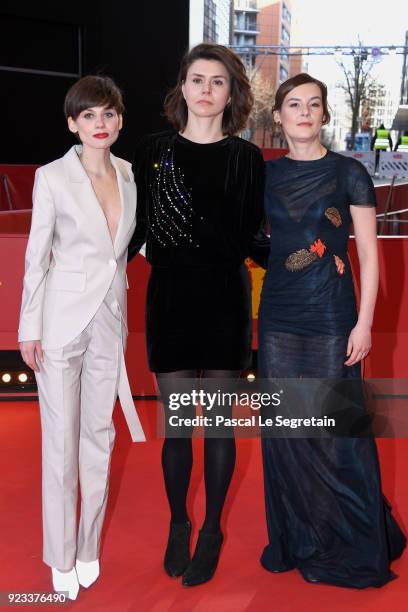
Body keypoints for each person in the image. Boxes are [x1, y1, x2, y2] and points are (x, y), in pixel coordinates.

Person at [127, 43, 268, 586]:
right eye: (197, 79)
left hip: (225, 302)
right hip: (170, 300)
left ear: (230, 94)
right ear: (181, 87)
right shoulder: (151, 150)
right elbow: (132, 228)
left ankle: (212, 530)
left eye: (217, 82)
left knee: (219, 429)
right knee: (179, 427)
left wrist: (312, 262)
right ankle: (179, 524)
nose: (206, 90)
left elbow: (256, 238)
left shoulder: (246, 158)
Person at [258, 73, 406, 588]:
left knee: (337, 433)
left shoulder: (350, 173)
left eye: (313, 104)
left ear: (324, 114)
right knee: (287, 434)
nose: (303, 112)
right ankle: (301, 536)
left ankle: (353, 539)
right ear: (278, 117)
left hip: (331, 318)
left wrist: (364, 323)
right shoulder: (264, 175)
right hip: (277, 318)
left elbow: (368, 254)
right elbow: (252, 241)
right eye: (293, 105)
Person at [18, 75, 145, 600]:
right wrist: (29, 327)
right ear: (73, 123)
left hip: (109, 320)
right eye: (89, 115)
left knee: (100, 438)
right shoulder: (51, 177)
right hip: (60, 322)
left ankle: (89, 547)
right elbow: (36, 255)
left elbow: (121, 250)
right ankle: (60, 555)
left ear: (119, 120)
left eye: (109, 114)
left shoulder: (129, 173)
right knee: (61, 445)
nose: (100, 124)